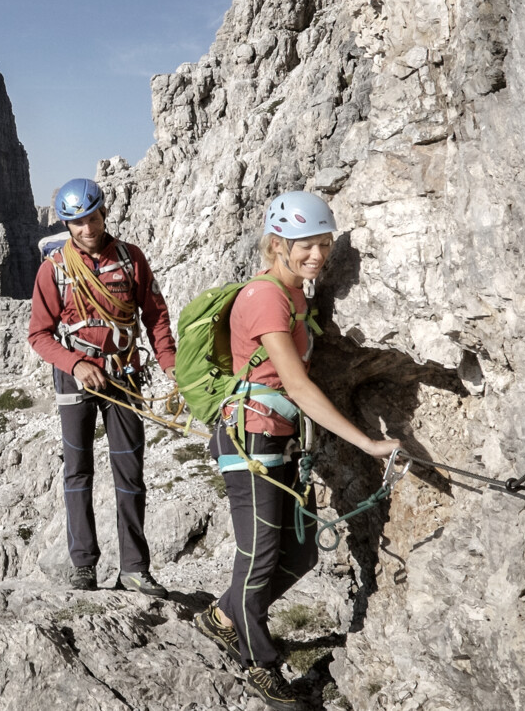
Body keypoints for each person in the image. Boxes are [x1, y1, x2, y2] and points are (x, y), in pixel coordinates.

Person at [190, 191, 400, 711]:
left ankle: (224, 616)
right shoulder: (266, 298)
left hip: (280, 440)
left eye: (325, 244)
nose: (318, 255)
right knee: (260, 556)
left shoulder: (296, 297)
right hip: (251, 440)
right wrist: (366, 443)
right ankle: (260, 664)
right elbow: (298, 386)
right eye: (307, 244)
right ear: (278, 244)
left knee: (301, 552)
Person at [27, 177, 177, 596]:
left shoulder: (131, 260)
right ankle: (83, 566)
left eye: (92, 219)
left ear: (104, 214)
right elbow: (39, 334)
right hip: (76, 376)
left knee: (130, 471)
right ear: (66, 224)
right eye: (77, 223)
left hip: (124, 373)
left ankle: (134, 568)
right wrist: (75, 364)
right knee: (78, 470)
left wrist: (169, 363)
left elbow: (155, 315)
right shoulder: (54, 269)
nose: (87, 229)